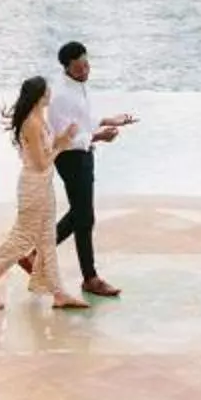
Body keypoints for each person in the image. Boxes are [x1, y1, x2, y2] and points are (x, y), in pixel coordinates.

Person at [0, 75, 87, 310]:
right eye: (47, 91)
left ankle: (58, 293)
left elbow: (47, 148)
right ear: (39, 96)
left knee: (47, 240)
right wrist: (63, 144)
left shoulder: (39, 118)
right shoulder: (31, 124)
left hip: (44, 186)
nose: (50, 94)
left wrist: (62, 137)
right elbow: (42, 162)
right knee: (22, 239)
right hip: (33, 187)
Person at [47, 39, 132, 298]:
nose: (85, 71)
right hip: (71, 157)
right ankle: (89, 277)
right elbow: (62, 136)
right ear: (66, 68)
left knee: (81, 216)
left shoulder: (78, 86)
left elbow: (82, 120)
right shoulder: (60, 95)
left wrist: (109, 120)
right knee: (84, 217)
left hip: (84, 153)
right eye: (78, 68)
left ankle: (39, 254)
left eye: (86, 65)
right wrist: (98, 136)